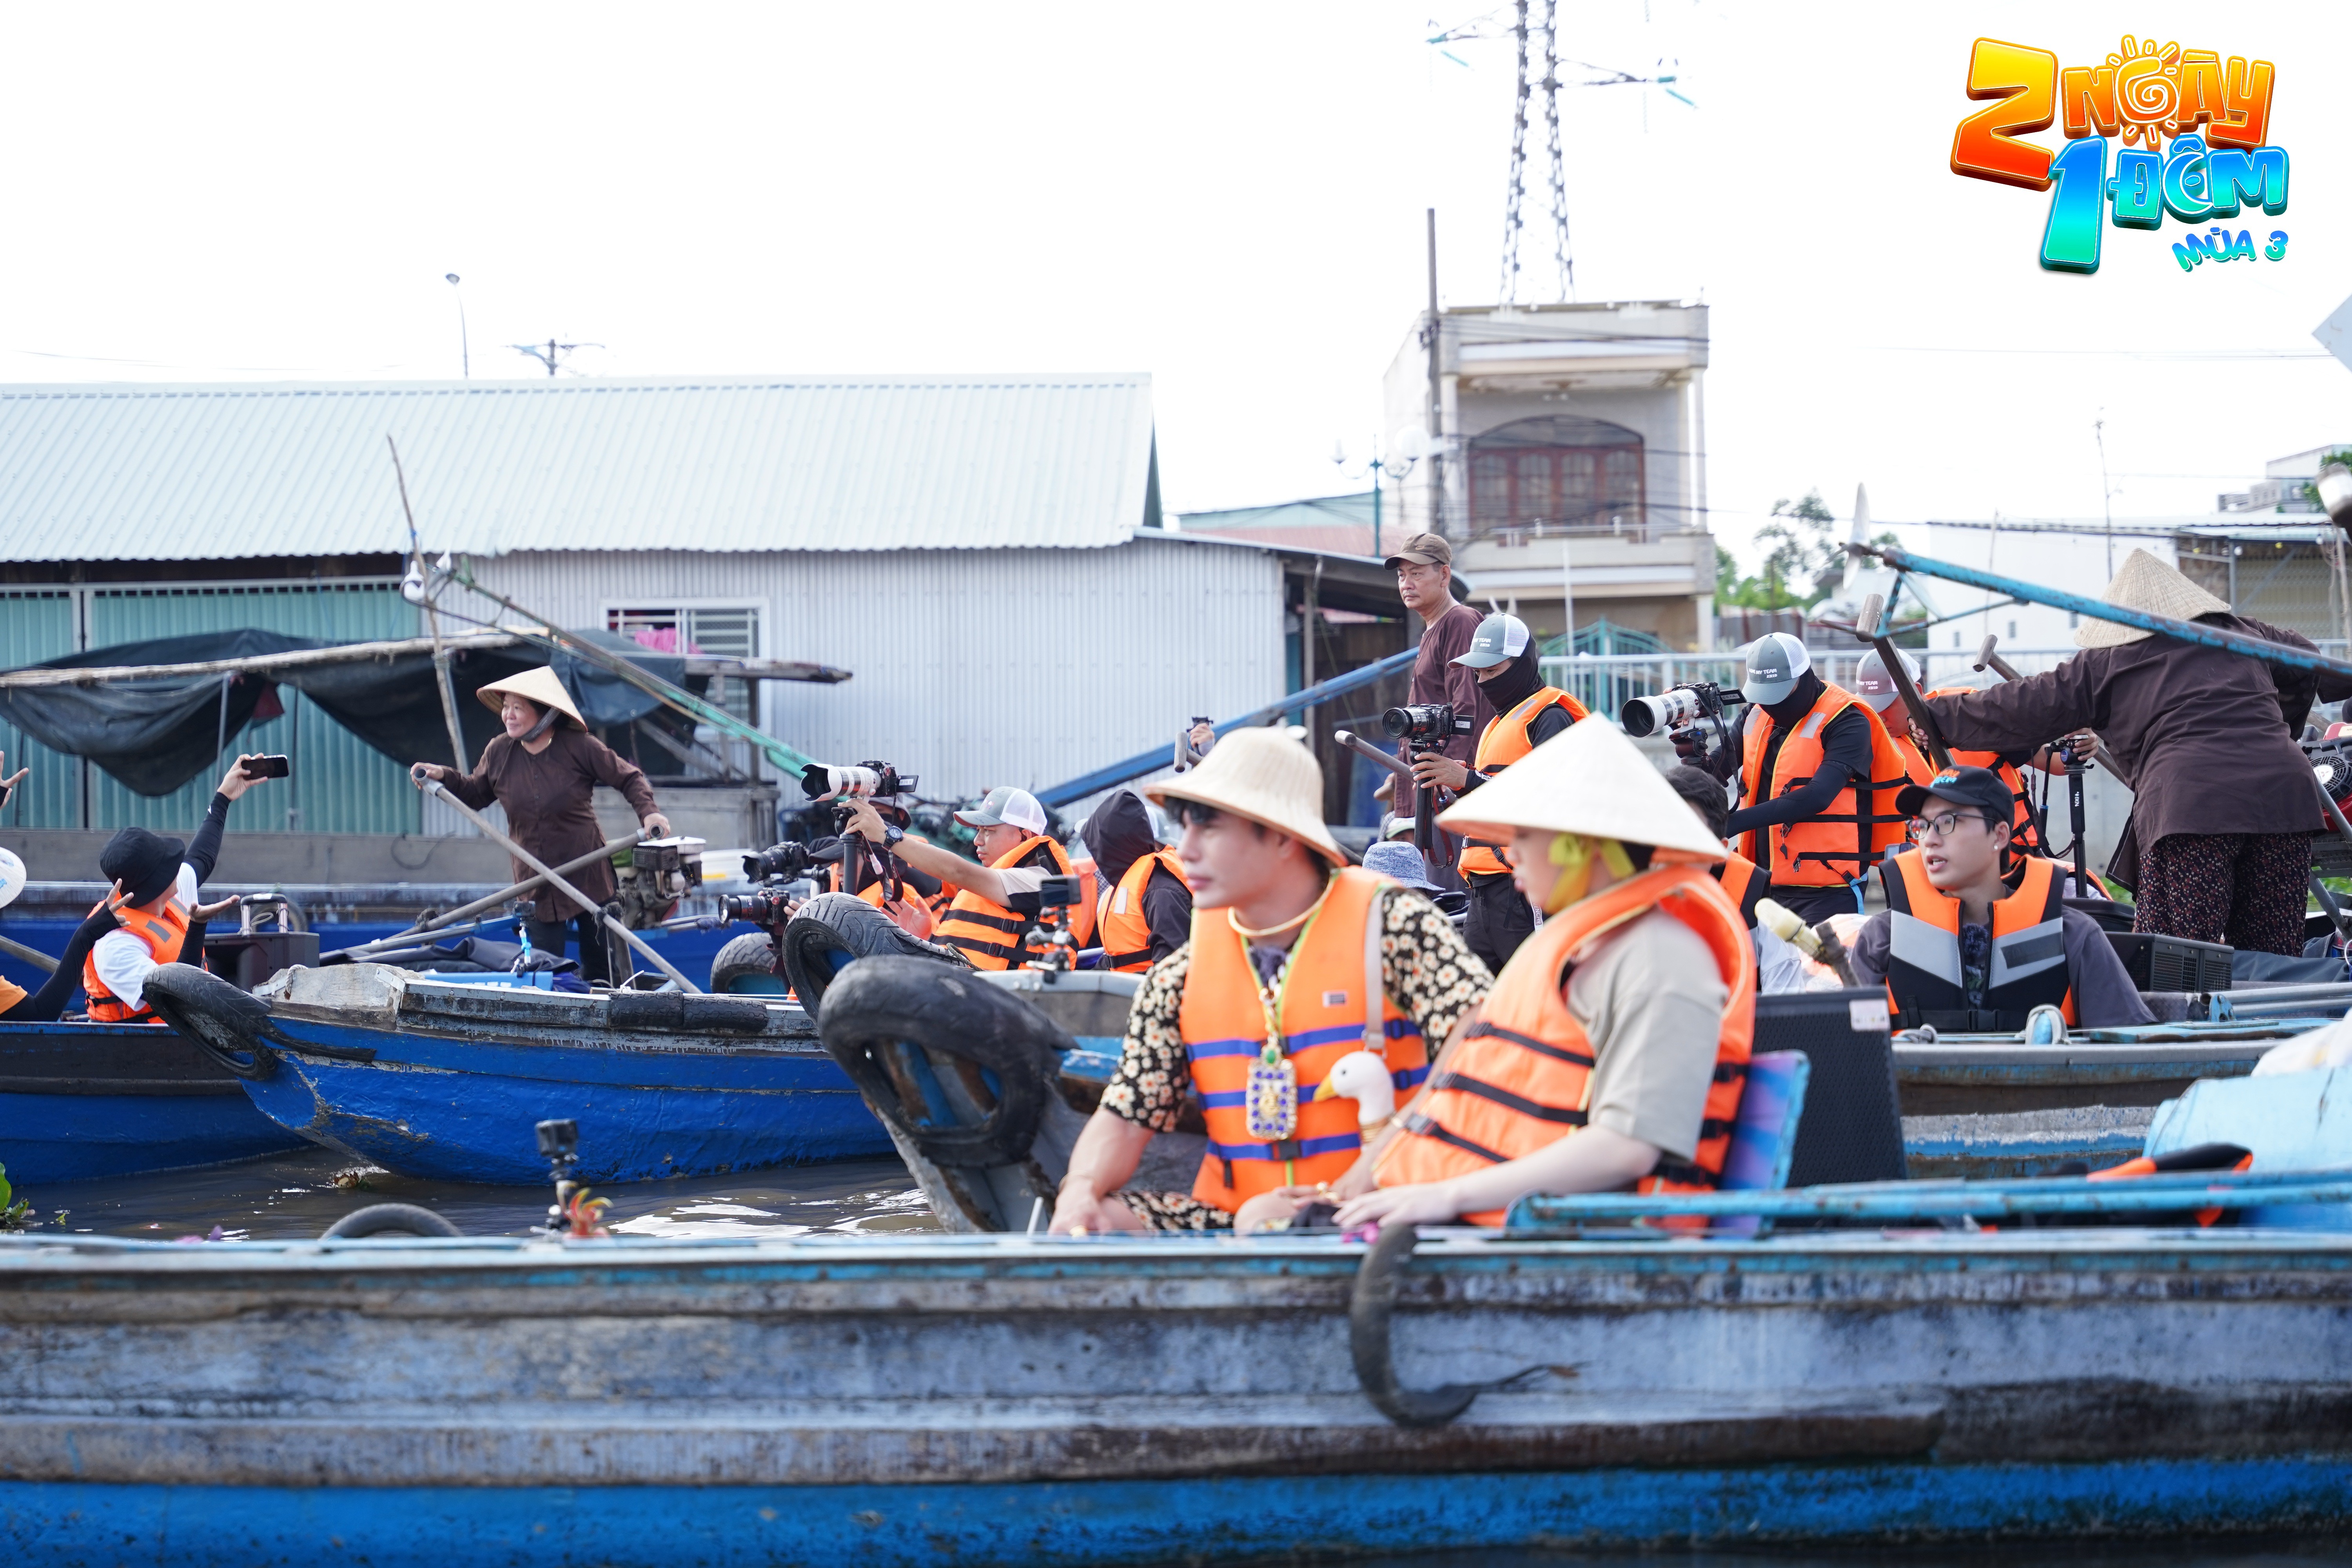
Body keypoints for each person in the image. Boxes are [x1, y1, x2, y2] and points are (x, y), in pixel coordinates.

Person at [1047, 726, 1489, 1235]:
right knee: (1095, 1221)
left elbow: (1479, 1042)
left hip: (1381, 1207)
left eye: (1208, 828)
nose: (1184, 849)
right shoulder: (1181, 976)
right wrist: (1078, 1188)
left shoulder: (1391, 923)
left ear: (1281, 836)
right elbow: (1128, 1110)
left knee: (1270, 1224)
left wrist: (1367, 1174)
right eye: (1184, 827)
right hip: (1240, 1218)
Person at [1336, 716, 1756, 1230]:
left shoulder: (1660, 957)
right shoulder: (1580, 947)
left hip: (1561, 1250)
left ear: (1577, 843)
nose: (1508, 854)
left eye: (1524, 835)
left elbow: (1627, 1149)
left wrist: (1446, 1195)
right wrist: (1369, 1176)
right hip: (1466, 1223)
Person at [1923, 550, 2352, 955]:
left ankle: (2189, 1035)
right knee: (2272, 957)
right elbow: (2313, 666)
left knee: (2177, 961)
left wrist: (1935, 714)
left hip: (2192, 804)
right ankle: (2277, 1034)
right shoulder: (2244, 633)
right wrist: (2281, 730)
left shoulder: (2107, 660)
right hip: (2284, 793)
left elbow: (2023, 705)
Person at [412, 667, 670, 987]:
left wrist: (650, 814)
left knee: (605, 975)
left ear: (544, 713)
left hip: (588, 877)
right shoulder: (499, 752)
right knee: (545, 977)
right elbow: (474, 793)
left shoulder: (580, 747)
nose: (508, 715)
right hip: (535, 886)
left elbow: (628, 777)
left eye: (518, 708)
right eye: (506, 706)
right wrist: (443, 776)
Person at [1850, 766, 2153, 1032]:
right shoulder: (1883, 937)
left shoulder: (2074, 935)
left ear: (2000, 835)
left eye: (1947, 822)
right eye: (1922, 826)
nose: (1929, 839)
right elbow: (1848, 1047)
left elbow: (2131, 1048)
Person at [1682, 632, 1911, 924]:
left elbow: (1818, 796)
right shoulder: (1755, 713)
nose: (1770, 706)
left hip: (1828, 890)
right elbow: (1716, 769)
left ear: (1803, 679)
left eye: (1778, 694)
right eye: (1763, 696)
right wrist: (1691, 756)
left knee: (1821, 971)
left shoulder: (1847, 719)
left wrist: (1729, 824)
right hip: (1760, 883)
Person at [1406, 611, 1588, 971]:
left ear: (1522, 665)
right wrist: (1453, 783)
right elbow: (1494, 794)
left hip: (1526, 888)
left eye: (1493, 671)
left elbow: (1549, 800)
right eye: (1478, 673)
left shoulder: (1551, 715)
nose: (1482, 681)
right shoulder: (1499, 722)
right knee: (1475, 996)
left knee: (1537, 995)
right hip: (1484, 889)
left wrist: (1466, 779)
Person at [80, 753, 280, 1024]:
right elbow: (177, 999)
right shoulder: (116, 947)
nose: (178, 865)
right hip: (141, 1054)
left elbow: (202, 858)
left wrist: (223, 798)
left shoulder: (163, 897)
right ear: (156, 884)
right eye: (168, 864)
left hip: (189, 1038)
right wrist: (197, 926)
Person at [848, 785, 1073, 971]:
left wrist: (885, 836)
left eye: (989, 831)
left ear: (1025, 836)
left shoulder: (1038, 880)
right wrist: (924, 940)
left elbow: (957, 872)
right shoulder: (992, 884)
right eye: (978, 830)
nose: (978, 841)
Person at [1855, 648, 2047, 857]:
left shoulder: (1968, 711)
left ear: (1916, 691)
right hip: (1930, 873)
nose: (1879, 717)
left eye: (1887, 705)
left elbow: (2053, 761)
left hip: (2010, 863)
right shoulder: (1868, 739)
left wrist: (2079, 749)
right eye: (1871, 707)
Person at [1383, 530, 1495, 779]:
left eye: (1416, 574)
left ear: (1444, 575)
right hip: (1429, 777)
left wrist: (1450, 771)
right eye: (1402, 575)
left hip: (1449, 783)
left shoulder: (1460, 622)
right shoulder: (1433, 626)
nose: (1406, 584)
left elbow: (1466, 706)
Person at [1081, 789, 1190, 973]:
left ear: (1111, 849)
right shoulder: (1120, 888)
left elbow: (1174, 970)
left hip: (1138, 995)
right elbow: (1114, 960)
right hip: (1119, 992)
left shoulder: (1161, 892)